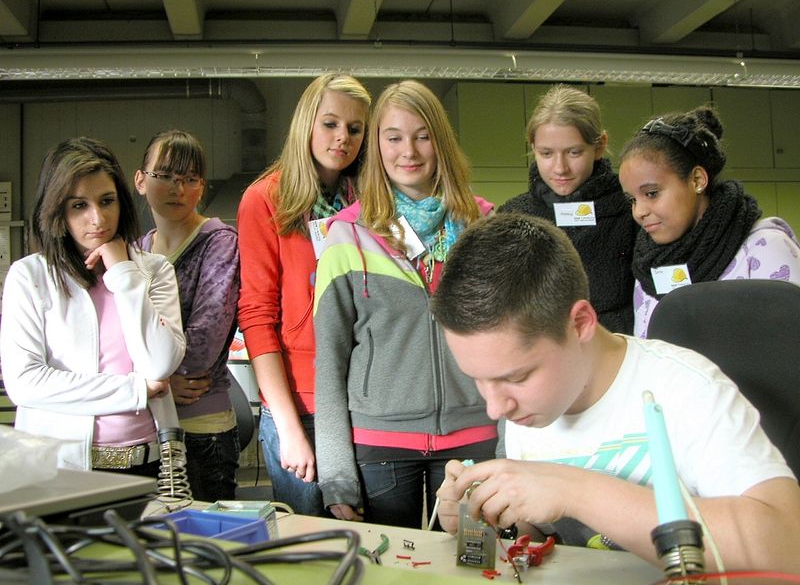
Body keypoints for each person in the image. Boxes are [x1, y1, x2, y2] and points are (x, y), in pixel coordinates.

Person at [429, 212, 800, 572]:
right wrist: (485, 514)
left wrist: (574, 491)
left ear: (580, 323)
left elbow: (788, 545)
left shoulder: (688, 389)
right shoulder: (526, 410)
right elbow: (547, 536)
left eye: (518, 376)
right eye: (479, 379)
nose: (495, 408)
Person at [313, 79, 497, 529]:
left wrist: (514, 444)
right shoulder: (347, 236)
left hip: (475, 437)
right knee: (391, 563)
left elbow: (511, 345)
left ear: (442, 142)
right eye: (393, 138)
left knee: (474, 563)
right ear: (377, 147)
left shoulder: (484, 226)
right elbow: (330, 360)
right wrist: (336, 473)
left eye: (422, 136)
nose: (408, 151)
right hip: (381, 445)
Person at [1, 137, 186, 476]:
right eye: (79, 206)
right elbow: (25, 383)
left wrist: (123, 273)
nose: (98, 218)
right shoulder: (30, 276)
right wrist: (134, 390)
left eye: (107, 201)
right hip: (60, 469)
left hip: (150, 463)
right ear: (57, 211)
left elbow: (160, 363)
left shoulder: (154, 270)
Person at [237, 73, 371, 515]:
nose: (342, 137)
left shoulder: (371, 200)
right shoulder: (265, 199)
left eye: (355, 128)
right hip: (303, 406)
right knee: (312, 541)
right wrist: (289, 427)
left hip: (364, 398)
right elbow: (257, 317)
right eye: (330, 124)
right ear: (306, 124)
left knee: (375, 538)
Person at [618, 105, 800, 337]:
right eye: (632, 200)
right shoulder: (647, 269)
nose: (639, 212)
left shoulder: (765, 248)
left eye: (652, 193)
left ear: (697, 180)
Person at [135, 129, 241, 501]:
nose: (177, 188)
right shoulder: (134, 252)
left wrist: (149, 382)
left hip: (202, 427)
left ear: (201, 188)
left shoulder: (219, 243)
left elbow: (203, 344)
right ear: (141, 181)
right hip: (145, 428)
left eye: (189, 178)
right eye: (164, 175)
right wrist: (156, 384)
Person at [499, 84, 636, 334]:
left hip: (615, 346)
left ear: (600, 146)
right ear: (533, 148)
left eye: (574, 152)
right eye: (546, 153)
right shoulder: (512, 216)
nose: (560, 168)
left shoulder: (630, 211)